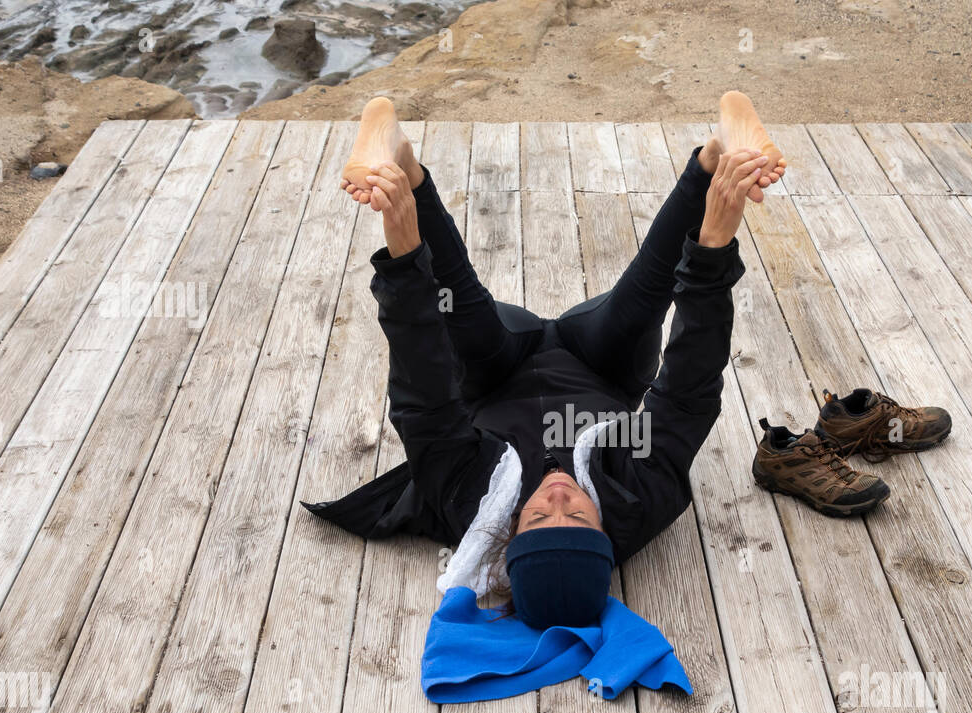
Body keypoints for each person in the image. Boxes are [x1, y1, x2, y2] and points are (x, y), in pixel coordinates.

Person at [304, 92, 791, 634]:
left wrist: (403, 259)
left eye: (538, 517)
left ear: (509, 530)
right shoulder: (641, 498)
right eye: (578, 515)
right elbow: (687, 392)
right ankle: (717, 154)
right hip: (600, 366)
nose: (559, 497)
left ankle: (403, 160)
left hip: (499, 369)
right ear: (603, 531)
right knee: (641, 303)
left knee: (459, 310)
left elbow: (425, 397)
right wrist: (714, 245)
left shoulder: (466, 500)